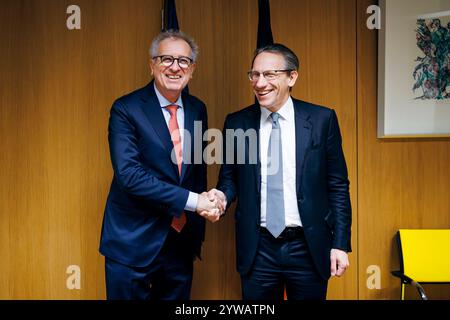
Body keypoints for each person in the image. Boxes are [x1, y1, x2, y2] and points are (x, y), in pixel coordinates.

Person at [209, 43, 352, 300]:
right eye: (255, 74)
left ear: (292, 76)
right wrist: (221, 196)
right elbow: (229, 179)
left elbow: (338, 185)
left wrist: (340, 243)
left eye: (269, 74)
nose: (260, 83)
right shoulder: (237, 122)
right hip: (258, 248)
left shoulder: (322, 120)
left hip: (308, 246)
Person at [99, 30, 219, 300]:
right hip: (132, 242)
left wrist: (207, 202)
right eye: (166, 59)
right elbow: (129, 176)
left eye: (183, 61)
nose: (175, 67)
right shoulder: (126, 109)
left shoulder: (198, 108)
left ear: (193, 69)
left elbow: (195, 171)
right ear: (151, 64)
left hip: (180, 242)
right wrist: (194, 201)